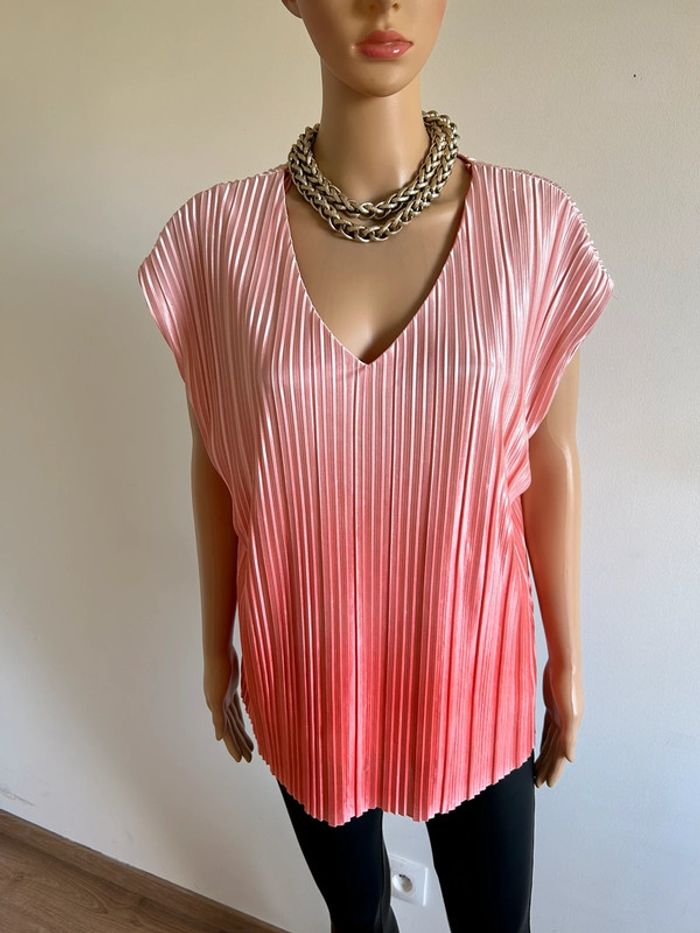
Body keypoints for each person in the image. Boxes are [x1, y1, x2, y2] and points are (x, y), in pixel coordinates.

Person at [137, 2, 615, 930]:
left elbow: (552, 461)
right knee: (357, 917)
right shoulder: (216, 241)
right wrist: (214, 645)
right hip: (305, 663)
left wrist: (567, 657)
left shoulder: (534, 229)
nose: (384, 2)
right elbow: (220, 460)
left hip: (472, 665)